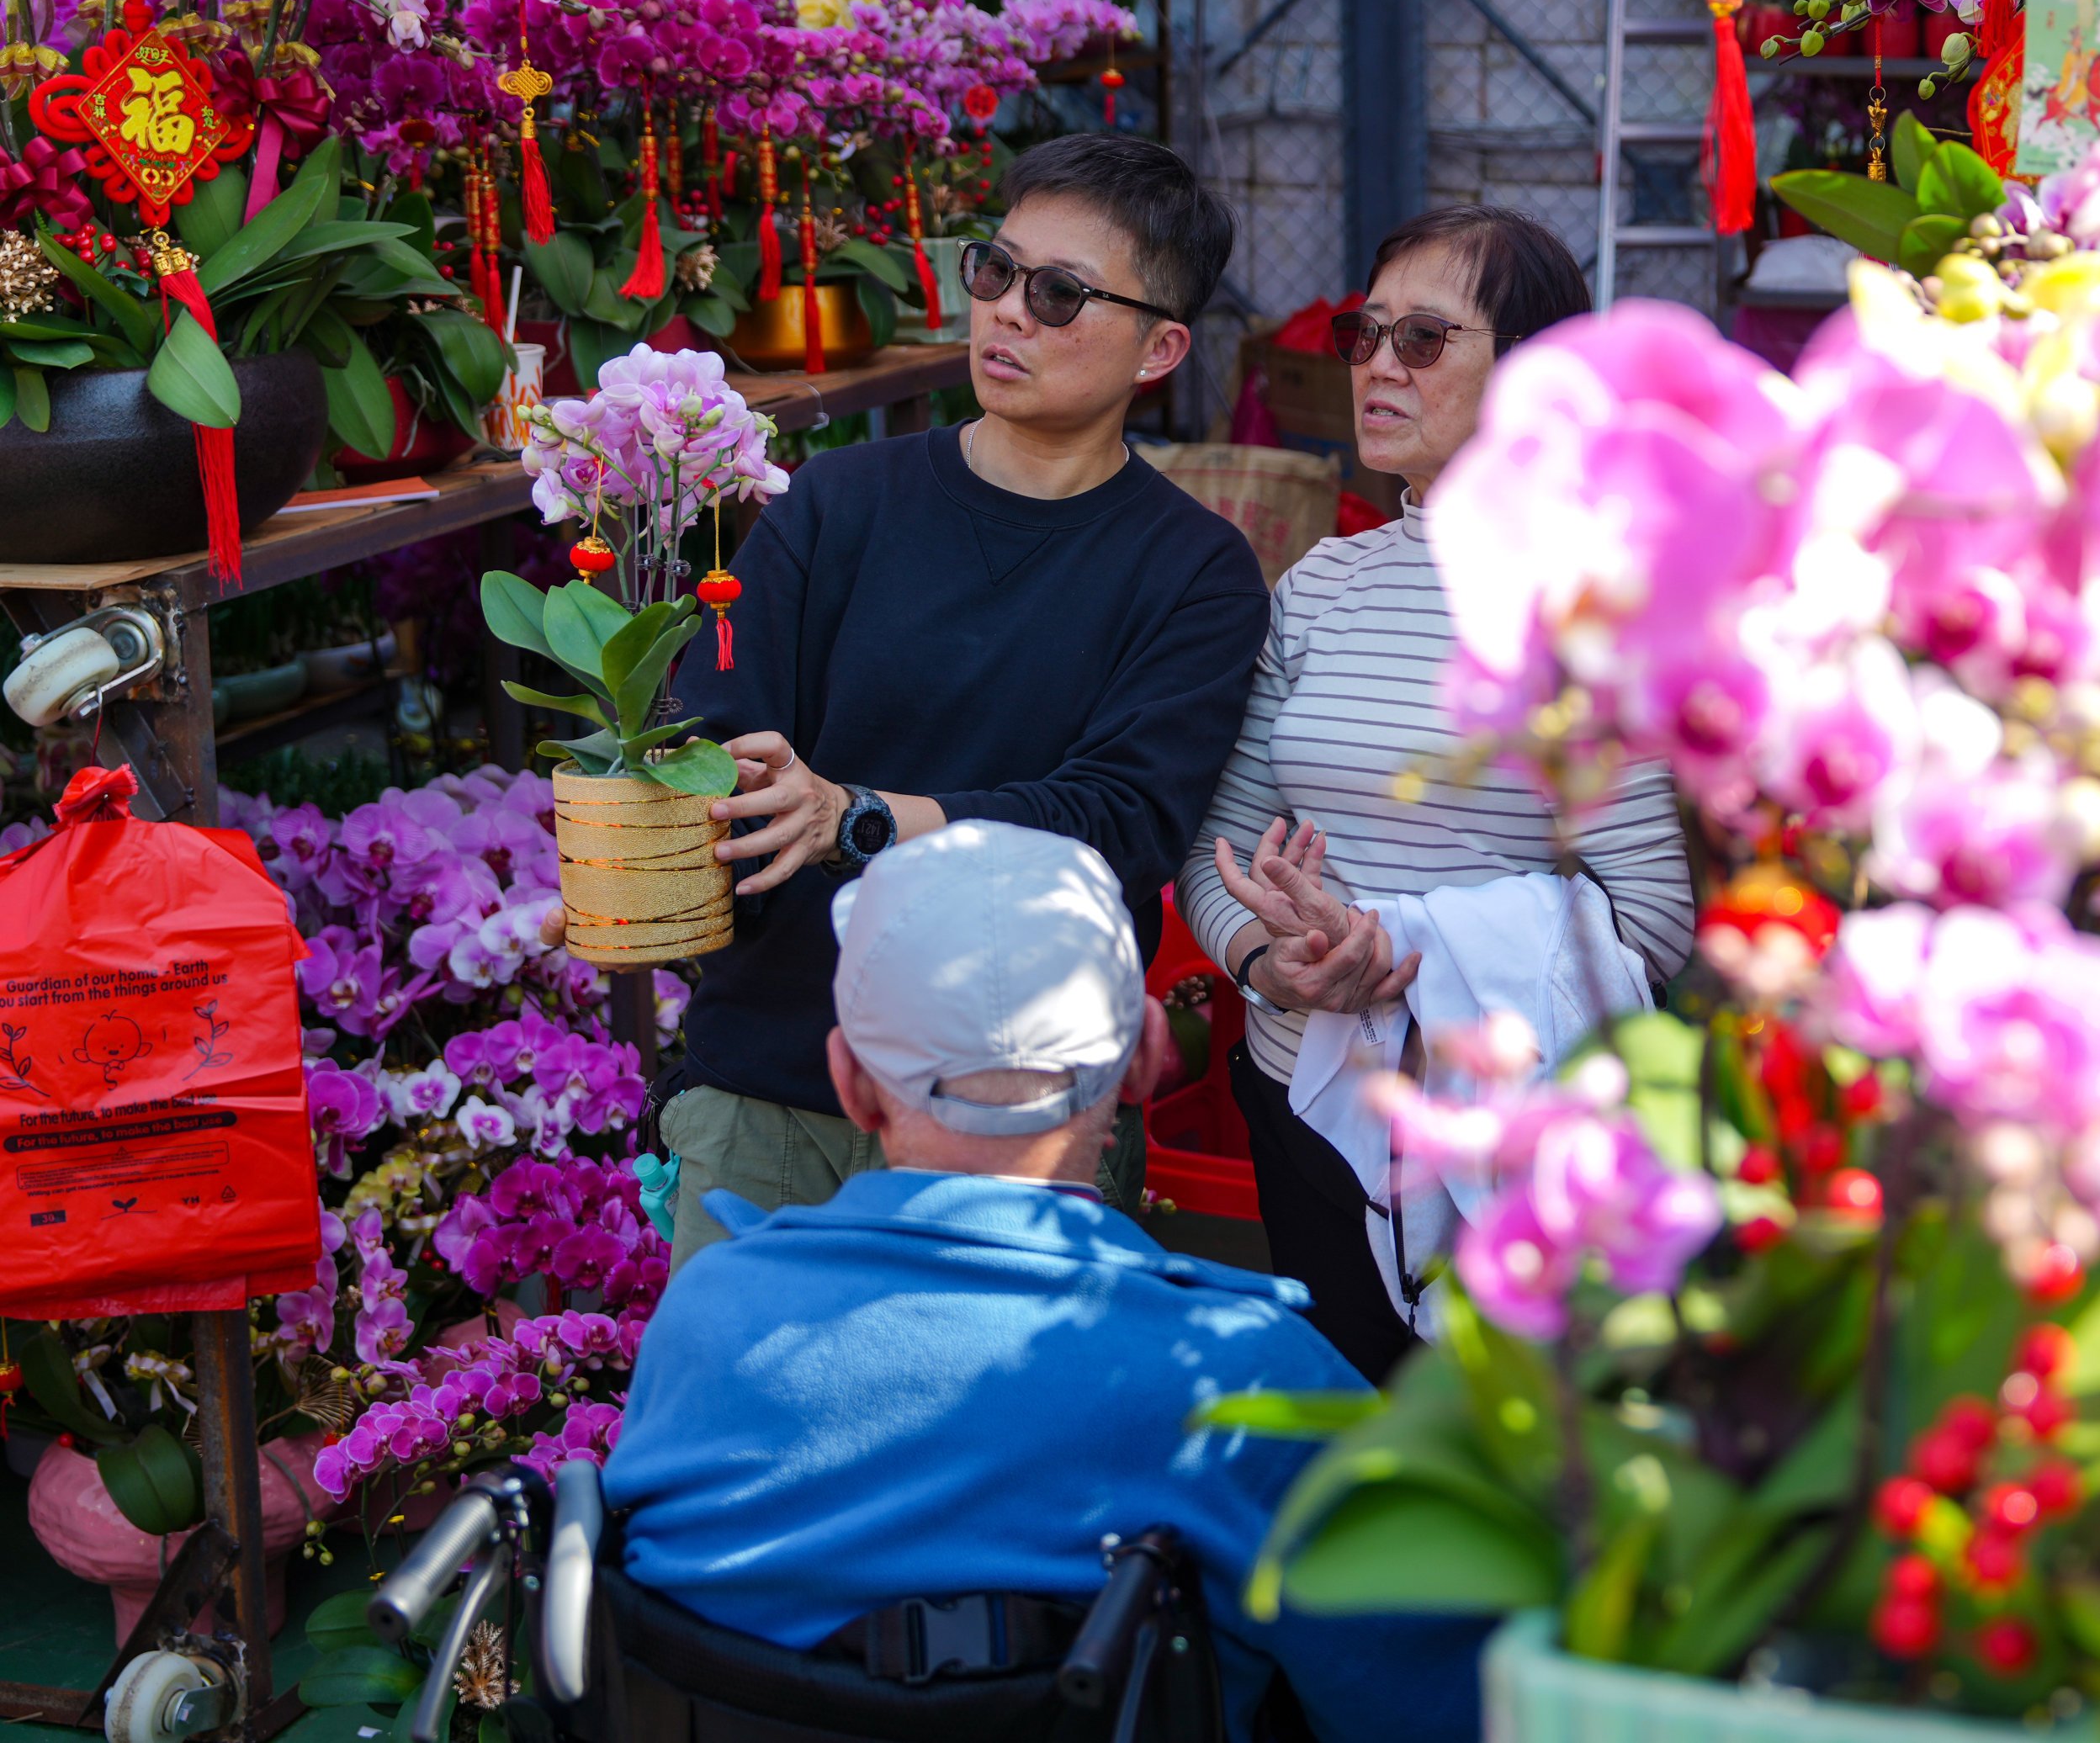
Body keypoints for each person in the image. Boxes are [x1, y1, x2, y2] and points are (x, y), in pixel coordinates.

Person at [601, 820, 1484, 1743]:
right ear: (1148, 1057)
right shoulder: (1250, 1381)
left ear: (852, 1085)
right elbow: (1454, 1709)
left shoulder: (705, 1315)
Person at [649, 134, 1270, 1267]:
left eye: (1061, 293)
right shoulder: (839, 498)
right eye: (995, 271)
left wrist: (863, 814)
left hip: (1028, 1106)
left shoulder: (1193, 570)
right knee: (750, 1435)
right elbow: (720, 727)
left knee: (1009, 1439)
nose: (1008, 313)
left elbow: (1119, 817)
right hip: (784, 1076)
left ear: (1158, 347)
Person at [1176, 204, 1696, 1381]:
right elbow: (1220, 839)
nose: (1375, 366)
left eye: (1423, 339)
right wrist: (1275, 963)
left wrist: (1412, 955)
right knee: (1337, 1439)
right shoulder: (1320, 583)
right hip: (1296, 1093)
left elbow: (1654, 915)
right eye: (1364, 335)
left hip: (1492, 1134)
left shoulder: (1586, 600)